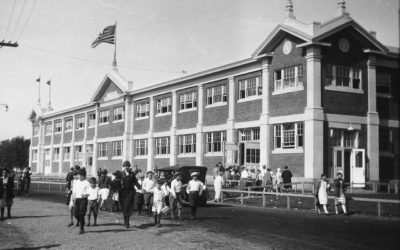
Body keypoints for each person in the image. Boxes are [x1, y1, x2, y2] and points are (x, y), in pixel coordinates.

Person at [119, 161, 141, 228]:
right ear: (124, 166)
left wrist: (140, 187)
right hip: (123, 193)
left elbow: (135, 182)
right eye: (125, 166)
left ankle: (127, 221)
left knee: (129, 206)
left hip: (130, 193)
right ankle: (125, 220)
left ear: (129, 167)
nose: (126, 167)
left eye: (128, 166)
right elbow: (117, 183)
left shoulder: (132, 174)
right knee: (124, 207)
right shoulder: (121, 174)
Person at [71, 168, 90, 234]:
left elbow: (89, 193)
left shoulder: (87, 183)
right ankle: (82, 221)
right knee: (75, 213)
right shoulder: (76, 182)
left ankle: (81, 228)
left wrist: (84, 195)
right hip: (77, 199)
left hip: (83, 200)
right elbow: (74, 191)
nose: (77, 176)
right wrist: (73, 198)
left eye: (78, 175)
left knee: (81, 214)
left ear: (82, 175)